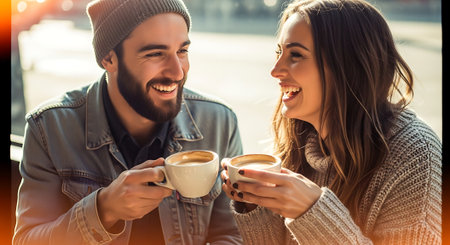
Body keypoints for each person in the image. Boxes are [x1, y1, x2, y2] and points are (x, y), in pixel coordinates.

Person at [13, 0, 243, 244]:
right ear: (108, 59)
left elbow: (231, 235)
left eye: (182, 51)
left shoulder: (220, 122)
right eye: (155, 54)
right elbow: (27, 239)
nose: (177, 72)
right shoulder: (49, 129)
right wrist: (104, 209)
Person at [221, 0, 442, 244]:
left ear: (347, 66)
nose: (275, 70)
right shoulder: (298, 141)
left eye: (295, 55)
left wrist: (313, 212)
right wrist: (254, 204)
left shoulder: (415, 155)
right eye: (279, 53)